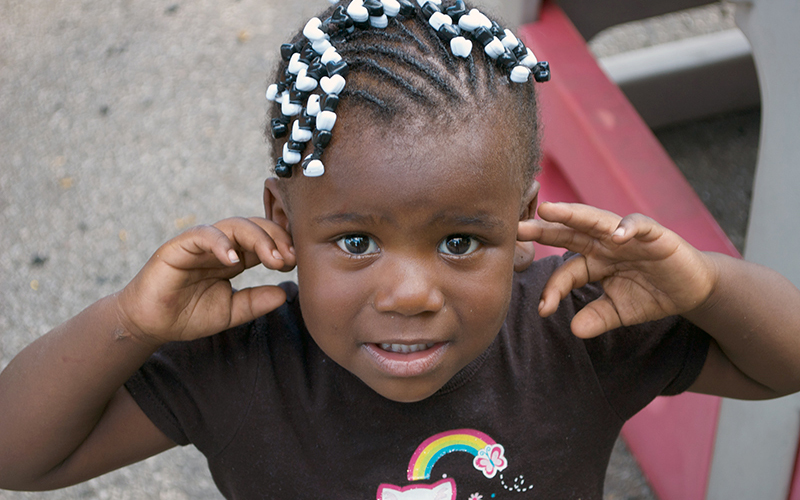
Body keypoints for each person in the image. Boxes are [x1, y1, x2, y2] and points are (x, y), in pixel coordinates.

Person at [1, 0, 799, 498]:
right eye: (355, 240)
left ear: (523, 224)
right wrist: (130, 322)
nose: (411, 292)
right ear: (280, 218)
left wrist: (703, 287)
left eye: (460, 240)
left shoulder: (576, 331)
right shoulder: (234, 360)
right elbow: (19, 457)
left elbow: (784, 366)